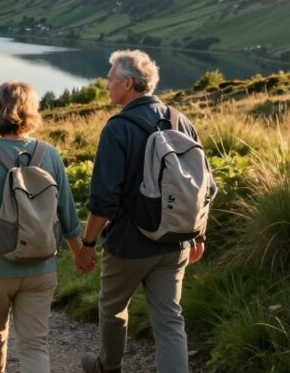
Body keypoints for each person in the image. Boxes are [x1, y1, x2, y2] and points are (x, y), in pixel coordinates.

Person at [75, 50, 206, 373]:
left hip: (130, 244)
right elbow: (203, 186)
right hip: (176, 240)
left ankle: (109, 366)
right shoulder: (181, 121)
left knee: (113, 307)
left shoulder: (118, 128)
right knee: (169, 318)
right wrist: (198, 234)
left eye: (110, 79)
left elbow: (103, 199)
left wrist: (87, 245)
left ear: (128, 83)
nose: (106, 85)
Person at [0, 80, 85, 373]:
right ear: (31, 112)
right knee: (35, 344)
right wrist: (79, 253)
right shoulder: (48, 154)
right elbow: (68, 214)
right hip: (41, 266)